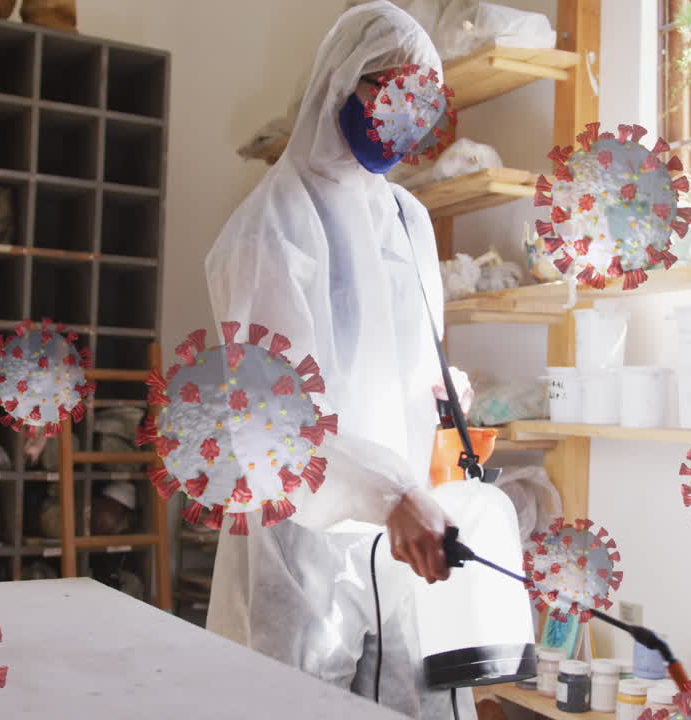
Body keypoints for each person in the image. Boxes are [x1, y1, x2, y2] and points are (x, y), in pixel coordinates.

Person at [204, 3, 476, 718]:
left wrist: (440, 394)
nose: (405, 119)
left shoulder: (408, 220)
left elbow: (397, 353)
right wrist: (388, 493)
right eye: (392, 94)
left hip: (404, 541)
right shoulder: (271, 228)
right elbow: (275, 431)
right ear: (341, 83)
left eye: (423, 103)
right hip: (304, 555)